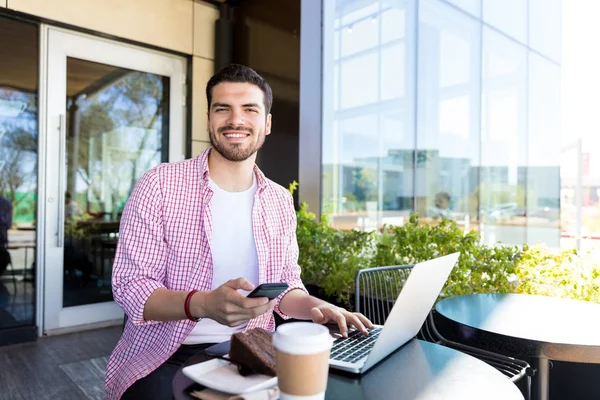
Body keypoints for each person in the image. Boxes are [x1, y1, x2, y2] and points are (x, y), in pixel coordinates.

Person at [106, 64, 374, 400]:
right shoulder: (159, 185)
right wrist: (202, 304)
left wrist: (323, 308)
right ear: (209, 119)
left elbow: (285, 287)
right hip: (166, 354)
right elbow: (131, 288)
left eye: (250, 109)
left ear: (267, 123)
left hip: (254, 351)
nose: (236, 120)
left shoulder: (278, 199)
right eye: (223, 109)